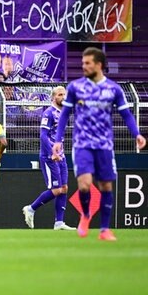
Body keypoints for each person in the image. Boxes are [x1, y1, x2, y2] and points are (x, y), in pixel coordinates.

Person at [53, 47, 146, 241]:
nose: (84, 66)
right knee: (84, 184)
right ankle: (85, 215)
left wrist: (136, 134)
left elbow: (126, 114)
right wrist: (58, 140)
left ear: (99, 65)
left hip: (104, 146)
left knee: (105, 186)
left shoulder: (113, 89)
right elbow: (64, 115)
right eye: (83, 63)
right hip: (82, 145)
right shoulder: (75, 87)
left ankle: (104, 229)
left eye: (88, 63)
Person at [22, 86, 75, 230]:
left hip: (61, 156)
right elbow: (43, 136)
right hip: (49, 157)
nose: (63, 97)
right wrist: (52, 152)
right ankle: (31, 209)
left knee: (64, 188)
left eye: (64, 94)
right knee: (56, 189)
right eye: (60, 95)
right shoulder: (48, 113)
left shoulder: (64, 112)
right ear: (53, 97)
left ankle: (59, 222)